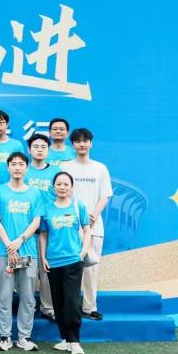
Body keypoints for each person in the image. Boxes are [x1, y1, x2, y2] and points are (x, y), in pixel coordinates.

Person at [0, 152, 44, 352]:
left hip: (28, 251)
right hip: (4, 252)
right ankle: (5, 336)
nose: (17, 167)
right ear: (8, 167)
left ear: (27, 168)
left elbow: (36, 221)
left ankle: (24, 337)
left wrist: (20, 240)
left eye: (21, 164)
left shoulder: (35, 194)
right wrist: (9, 245)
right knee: (4, 295)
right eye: (14, 164)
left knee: (28, 297)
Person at [38, 171, 92, 354]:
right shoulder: (47, 209)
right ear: (53, 187)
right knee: (58, 301)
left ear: (71, 187)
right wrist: (43, 257)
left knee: (72, 301)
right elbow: (43, 235)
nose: (62, 187)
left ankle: (75, 341)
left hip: (73, 260)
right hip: (53, 261)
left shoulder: (78, 206)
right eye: (59, 184)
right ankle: (65, 338)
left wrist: (82, 253)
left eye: (66, 184)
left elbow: (87, 230)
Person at [61, 128, 112, 321]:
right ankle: (70, 306)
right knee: (69, 269)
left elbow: (105, 195)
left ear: (91, 143)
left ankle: (90, 307)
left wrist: (93, 216)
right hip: (69, 225)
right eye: (77, 141)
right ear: (72, 144)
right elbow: (60, 193)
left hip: (93, 226)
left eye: (85, 141)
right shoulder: (65, 167)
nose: (81, 144)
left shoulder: (100, 168)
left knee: (91, 268)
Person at [24, 133, 59, 320]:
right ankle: (27, 307)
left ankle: (48, 307)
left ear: (48, 150)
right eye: (35, 146)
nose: (39, 150)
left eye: (43, 147)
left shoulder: (56, 172)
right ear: (29, 150)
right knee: (27, 271)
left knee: (46, 269)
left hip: (48, 229)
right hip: (27, 230)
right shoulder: (23, 170)